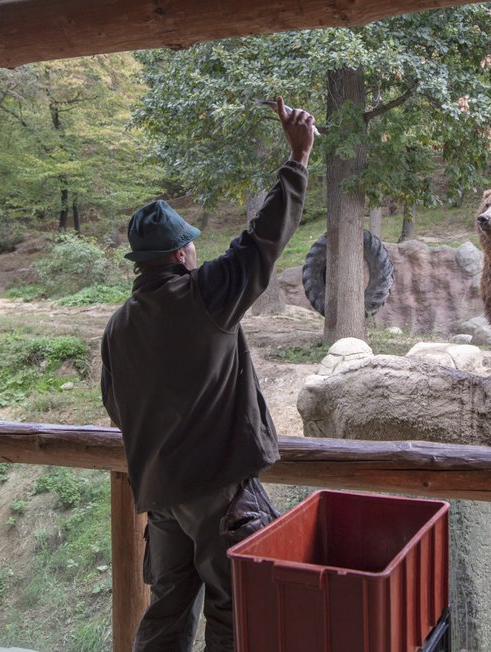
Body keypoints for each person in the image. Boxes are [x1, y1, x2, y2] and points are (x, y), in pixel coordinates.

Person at [100, 97, 315, 652]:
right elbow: (262, 241)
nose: (197, 247)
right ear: (179, 255)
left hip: (162, 497)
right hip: (219, 495)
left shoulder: (119, 326)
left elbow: (116, 406)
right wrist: (298, 160)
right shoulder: (205, 295)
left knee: (167, 612)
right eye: (190, 242)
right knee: (235, 608)